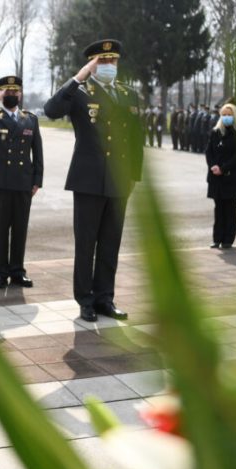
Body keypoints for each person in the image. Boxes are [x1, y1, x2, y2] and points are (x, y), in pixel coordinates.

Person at [43, 39, 143, 322]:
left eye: (112, 61)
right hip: (88, 180)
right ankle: (85, 300)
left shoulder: (128, 94)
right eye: (102, 62)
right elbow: (51, 110)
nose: (109, 66)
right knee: (86, 243)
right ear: (92, 64)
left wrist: (134, 174)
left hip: (119, 180)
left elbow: (137, 138)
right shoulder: (79, 92)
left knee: (111, 242)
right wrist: (78, 77)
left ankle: (105, 299)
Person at [0, 75, 43, 289]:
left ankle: (18, 271)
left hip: (23, 184)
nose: (11, 95)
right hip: (0, 184)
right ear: (1, 94)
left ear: (20, 93)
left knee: (20, 229)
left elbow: (37, 153)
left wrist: (37, 180)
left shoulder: (31, 119)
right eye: (6, 91)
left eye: (14, 91)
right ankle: (1, 272)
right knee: (1, 230)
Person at [206, 102, 236, 249]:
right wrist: (213, 166)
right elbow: (209, 152)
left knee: (230, 207)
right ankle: (217, 239)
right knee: (218, 208)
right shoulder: (216, 131)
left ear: (234, 116)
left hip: (231, 176)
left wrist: (223, 168)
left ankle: (228, 239)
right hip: (216, 176)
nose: (226, 117)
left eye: (229, 115)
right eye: (224, 115)